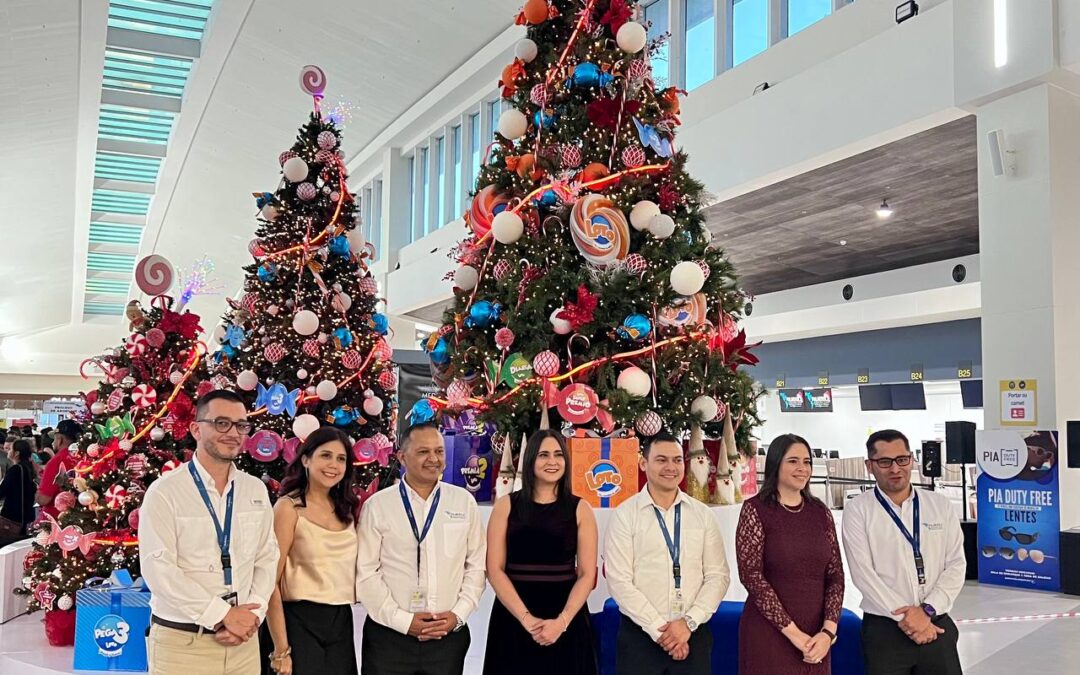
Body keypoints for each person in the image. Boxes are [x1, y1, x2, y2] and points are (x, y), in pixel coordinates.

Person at [140, 390, 279, 675]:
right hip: (183, 643)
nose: (233, 433)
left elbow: (267, 557)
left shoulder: (254, 489)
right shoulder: (166, 492)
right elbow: (158, 569)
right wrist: (222, 615)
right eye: (221, 423)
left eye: (241, 425)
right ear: (195, 429)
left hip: (243, 643)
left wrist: (252, 615)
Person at [355, 420, 486, 675]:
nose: (433, 459)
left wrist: (458, 615)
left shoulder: (463, 502)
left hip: (447, 638)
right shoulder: (378, 506)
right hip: (390, 639)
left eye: (438, 451)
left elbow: (476, 565)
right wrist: (404, 622)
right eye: (423, 452)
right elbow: (366, 573)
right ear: (402, 457)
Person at [605, 431, 730, 675]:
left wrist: (687, 624)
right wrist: (661, 631)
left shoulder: (703, 515)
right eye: (661, 460)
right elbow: (619, 581)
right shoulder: (625, 515)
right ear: (644, 463)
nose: (670, 467)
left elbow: (718, 576)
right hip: (640, 638)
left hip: (692, 635)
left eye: (677, 460)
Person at [842, 429, 965, 675]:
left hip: (935, 624)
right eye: (885, 462)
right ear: (870, 465)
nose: (895, 469)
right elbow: (863, 575)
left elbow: (956, 565)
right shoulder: (858, 511)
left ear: (912, 459)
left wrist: (927, 611)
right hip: (885, 631)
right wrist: (910, 620)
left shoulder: (939, 506)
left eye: (902, 459)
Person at [483, 429, 598, 674]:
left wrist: (562, 622)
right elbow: (494, 569)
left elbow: (587, 574)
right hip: (513, 617)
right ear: (530, 459)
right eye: (543, 455)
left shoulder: (581, 509)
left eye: (558, 454)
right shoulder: (506, 506)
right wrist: (526, 619)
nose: (552, 461)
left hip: (566, 618)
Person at [735, 434, 844, 674]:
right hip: (770, 634)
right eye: (793, 461)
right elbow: (751, 576)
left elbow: (836, 575)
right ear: (776, 464)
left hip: (817, 639)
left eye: (807, 462)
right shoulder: (755, 510)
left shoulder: (820, 512)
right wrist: (794, 634)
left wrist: (827, 633)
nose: (802, 468)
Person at [265, 426, 360, 675]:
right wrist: (281, 649)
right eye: (325, 455)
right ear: (306, 459)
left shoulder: (346, 510)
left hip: (340, 620)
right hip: (297, 621)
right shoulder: (288, 508)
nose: (334, 465)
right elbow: (269, 583)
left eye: (341, 459)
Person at [36, 419, 81, 519]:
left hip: (55, 520)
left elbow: (43, 499)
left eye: (55, 438)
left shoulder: (57, 461)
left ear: (60, 439)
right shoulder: (84, 458)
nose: (53, 442)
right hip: (80, 517)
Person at [0, 439, 37, 545]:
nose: (8, 451)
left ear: (17, 453)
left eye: (10, 449)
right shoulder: (28, 469)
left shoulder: (16, 469)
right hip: (25, 516)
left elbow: (2, 491)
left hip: (12, 517)